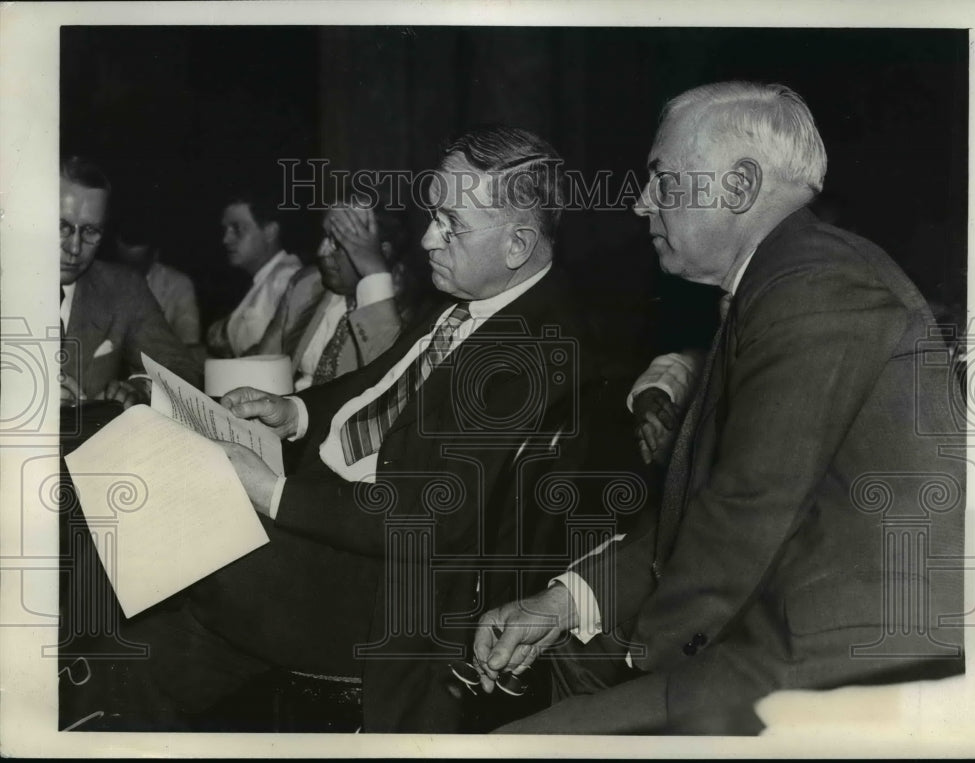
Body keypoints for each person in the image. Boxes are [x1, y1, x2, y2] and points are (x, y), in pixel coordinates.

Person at [471, 82, 966, 734]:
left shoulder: (815, 287)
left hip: (841, 665)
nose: (642, 201)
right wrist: (565, 602)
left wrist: (637, 660)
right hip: (784, 632)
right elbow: (698, 515)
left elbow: (746, 510)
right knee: (562, 673)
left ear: (738, 188)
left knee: (513, 742)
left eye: (663, 179)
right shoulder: (782, 280)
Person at [74, 126, 596, 733]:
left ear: (517, 244)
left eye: (451, 224)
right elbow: (378, 383)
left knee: (130, 501)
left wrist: (270, 491)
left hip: (382, 593)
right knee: (133, 659)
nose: (428, 238)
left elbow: (428, 514)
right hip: (331, 535)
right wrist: (293, 412)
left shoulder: (535, 354)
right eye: (433, 215)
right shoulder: (476, 298)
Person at [59, 156, 202, 407]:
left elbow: (184, 370)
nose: (74, 248)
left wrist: (140, 390)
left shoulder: (123, 289)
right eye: (62, 226)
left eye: (90, 231)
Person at [251, 204, 404, 390]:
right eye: (325, 236)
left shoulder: (405, 312)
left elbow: (389, 388)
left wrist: (374, 274)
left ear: (381, 252)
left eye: (338, 242)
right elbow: (264, 365)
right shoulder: (306, 284)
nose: (322, 252)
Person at [205, 188, 302, 357]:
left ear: (270, 231)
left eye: (237, 229)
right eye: (225, 230)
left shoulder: (286, 278)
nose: (226, 239)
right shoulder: (262, 279)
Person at [114, 210, 202, 347]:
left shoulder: (179, 285)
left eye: (137, 266)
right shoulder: (101, 283)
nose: (130, 273)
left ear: (155, 255)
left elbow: (189, 341)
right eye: (125, 264)